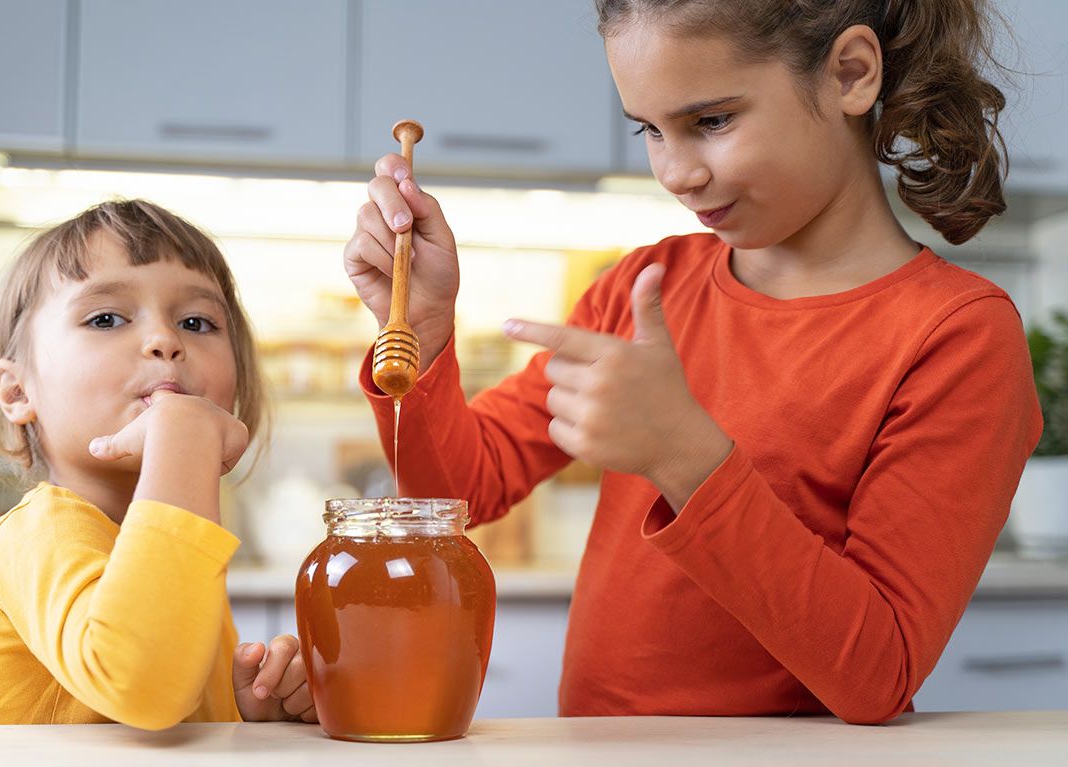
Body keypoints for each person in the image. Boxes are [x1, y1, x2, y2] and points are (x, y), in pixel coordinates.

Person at [343, 0, 1043, 724]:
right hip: (601, 765)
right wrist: (420, 329)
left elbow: (878, 675)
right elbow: (457, 493)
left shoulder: (957, 336)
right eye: (649, 129)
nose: (675, 172)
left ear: (851, 75)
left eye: (711, 121)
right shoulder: (647, 284)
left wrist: (685, 456)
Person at [0, 199, 316, 729]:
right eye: (105, 318)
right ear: (17, 389)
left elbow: (169, 731)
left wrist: (252, 713)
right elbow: (142, 685)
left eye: (197, 321)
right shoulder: (37, 535)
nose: (166, 341)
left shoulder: (175, 548)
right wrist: (183, 431)